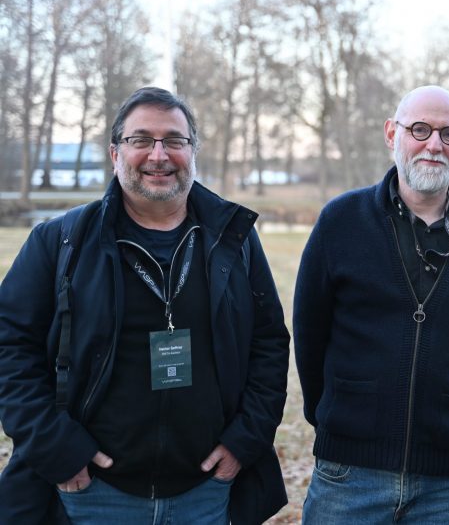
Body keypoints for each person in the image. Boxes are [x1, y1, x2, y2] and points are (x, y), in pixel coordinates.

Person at [0, 86, 291, 524]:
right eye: (141, 140)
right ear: (115, 153)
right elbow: (9, 348)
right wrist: (54, 448)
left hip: (204, 494)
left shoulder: (234, 240)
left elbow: (268, 345)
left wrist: (245, 440)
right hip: (90, 495)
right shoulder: (60, 241)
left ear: (192, 152)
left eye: (174, 140)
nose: (159, 155)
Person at [293, 85, 449, 524]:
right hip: (350, 473)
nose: (434, 144)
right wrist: (340, 418)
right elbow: (309, 332)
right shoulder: (340, 221)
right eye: (419, 129)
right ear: (391, 133)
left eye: (448, 134)